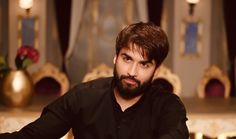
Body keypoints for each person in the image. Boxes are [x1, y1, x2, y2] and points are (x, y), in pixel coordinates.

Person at [0, 22, 189, 139]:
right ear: (116, 58)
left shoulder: (169, 106)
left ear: (157, 70)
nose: (132, 72)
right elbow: (31, 137)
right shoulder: (83, 96)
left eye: (144, 64)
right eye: (127, 59)